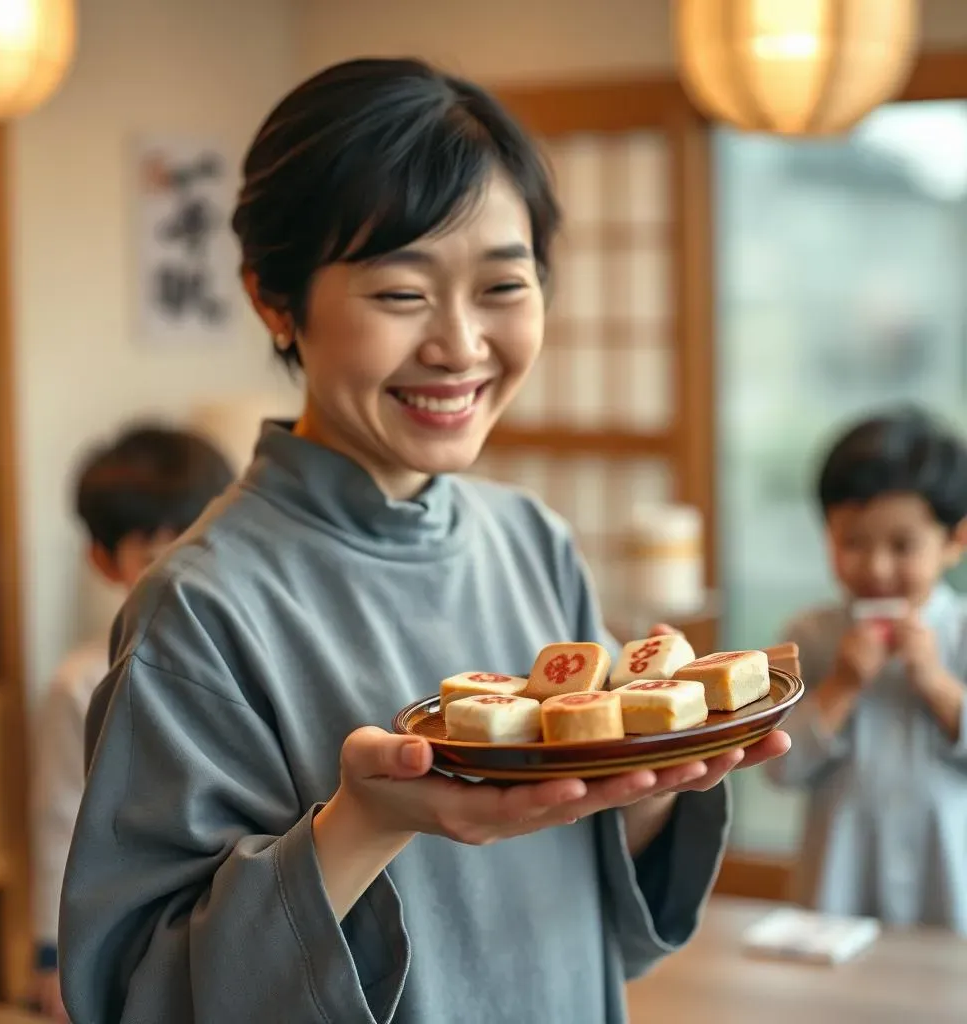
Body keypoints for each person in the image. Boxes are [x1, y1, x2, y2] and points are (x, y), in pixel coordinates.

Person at [59, 58, 789, 1023]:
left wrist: (653, 784)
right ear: (275, 299)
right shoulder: (198, 607)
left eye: (502, 285)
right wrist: (366, 821)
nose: (459, 344)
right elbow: (141, 996)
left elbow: (591, 936)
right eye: (401, 294)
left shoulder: (532, 541)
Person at [31, 425, 234, 1021]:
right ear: (103, 560)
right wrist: (51, 954)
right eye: (153, 557)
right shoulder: (81, 682)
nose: (178, 575)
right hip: (125, 924)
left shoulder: (241, 659)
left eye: (197, 547)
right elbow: (58, 821)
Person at [767, 408, 967, 932]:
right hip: (836, 883)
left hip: (949, 885)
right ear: (827, 536)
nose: (876, 567)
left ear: (955, 541)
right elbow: (777, 766)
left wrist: (937, 684)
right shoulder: (808, 634)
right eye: (852, 542)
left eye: (902, 546)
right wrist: (840, 686)